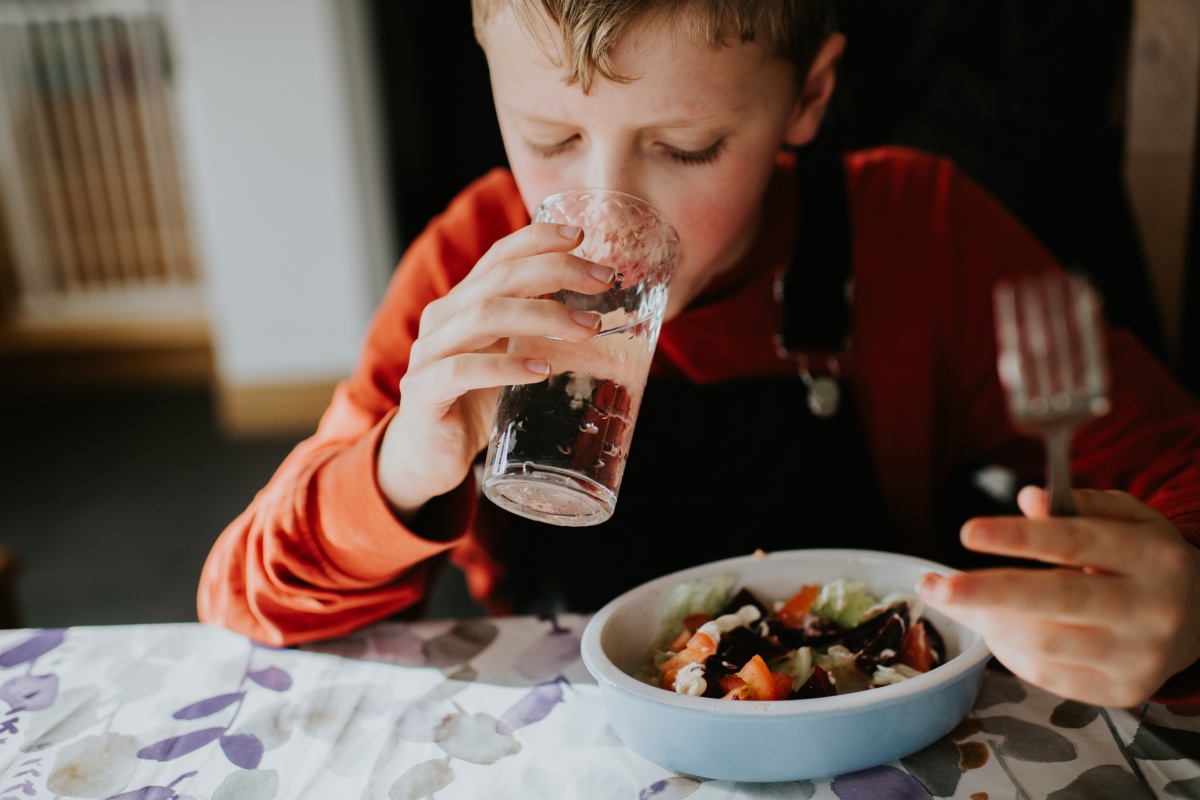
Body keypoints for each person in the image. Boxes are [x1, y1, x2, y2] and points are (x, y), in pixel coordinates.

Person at [198, 0, 1200, 709]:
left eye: (686, 148)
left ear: (810, 95)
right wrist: (395, 470)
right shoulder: (468, 263)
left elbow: (1178, 472)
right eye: (548, 136)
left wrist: (1185, 604)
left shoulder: (922, 233)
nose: (607, 217)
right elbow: (243, 600)